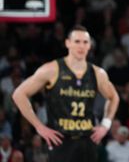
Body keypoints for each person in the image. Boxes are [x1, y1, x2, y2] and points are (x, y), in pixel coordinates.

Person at [12, 25, 119, 162]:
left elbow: (113, 97)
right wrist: (39, 127)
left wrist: (106, 124)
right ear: (68, 43)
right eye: (77, 41)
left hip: (87, 140)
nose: (81, 46)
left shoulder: (97, 73)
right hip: (61, 140)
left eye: (85, 42)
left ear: (89, 46)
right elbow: (19, 94)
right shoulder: (51, 69)